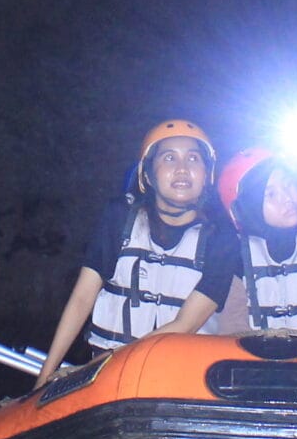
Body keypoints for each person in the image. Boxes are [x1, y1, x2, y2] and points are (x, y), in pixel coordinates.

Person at [34, 120, 238, 388]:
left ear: (206, 175)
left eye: (193, 158)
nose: (182, 168)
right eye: (169, 158)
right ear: (148, 175)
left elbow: (185, 324)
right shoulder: (119, 217)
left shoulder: (222, 239)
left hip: (181, 378)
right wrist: (44, 377)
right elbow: (82, 298)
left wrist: (92, 370)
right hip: (108, 379)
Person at [213, 146, 297, 336]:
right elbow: (232, 331)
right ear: (247, 207)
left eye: (288, 184)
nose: (287, 198)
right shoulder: (233, 255)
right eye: (271, 194)